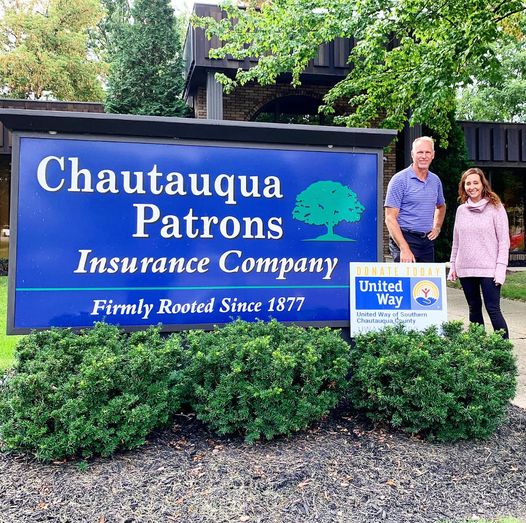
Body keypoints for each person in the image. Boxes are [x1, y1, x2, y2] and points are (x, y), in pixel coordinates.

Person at [448, 167, 510, 338]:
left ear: (483, 185)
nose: (472, 187)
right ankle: (478, 349)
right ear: (463, 186)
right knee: (474, 308)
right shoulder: (461, 210)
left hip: (489, 269)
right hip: (466, 268)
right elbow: (457, 241)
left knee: (493, 309)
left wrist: (500, 269)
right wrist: (453, 265)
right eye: (468, 183)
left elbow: (504, 241)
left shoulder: (496, 208)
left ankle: (502, 351)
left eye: (475, 182)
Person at [385, 136, 446, 262]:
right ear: (413, 154)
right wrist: (404, 248)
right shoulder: (399, 180)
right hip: (404, 239)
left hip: (426, 242)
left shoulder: (435, 181)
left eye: (427, 152)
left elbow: (441, 206)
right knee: (405, 281)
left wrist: (437, 227)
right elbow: (390, 218)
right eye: (420, 152)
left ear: (433, 155)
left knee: (426, 282)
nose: (424, 156)